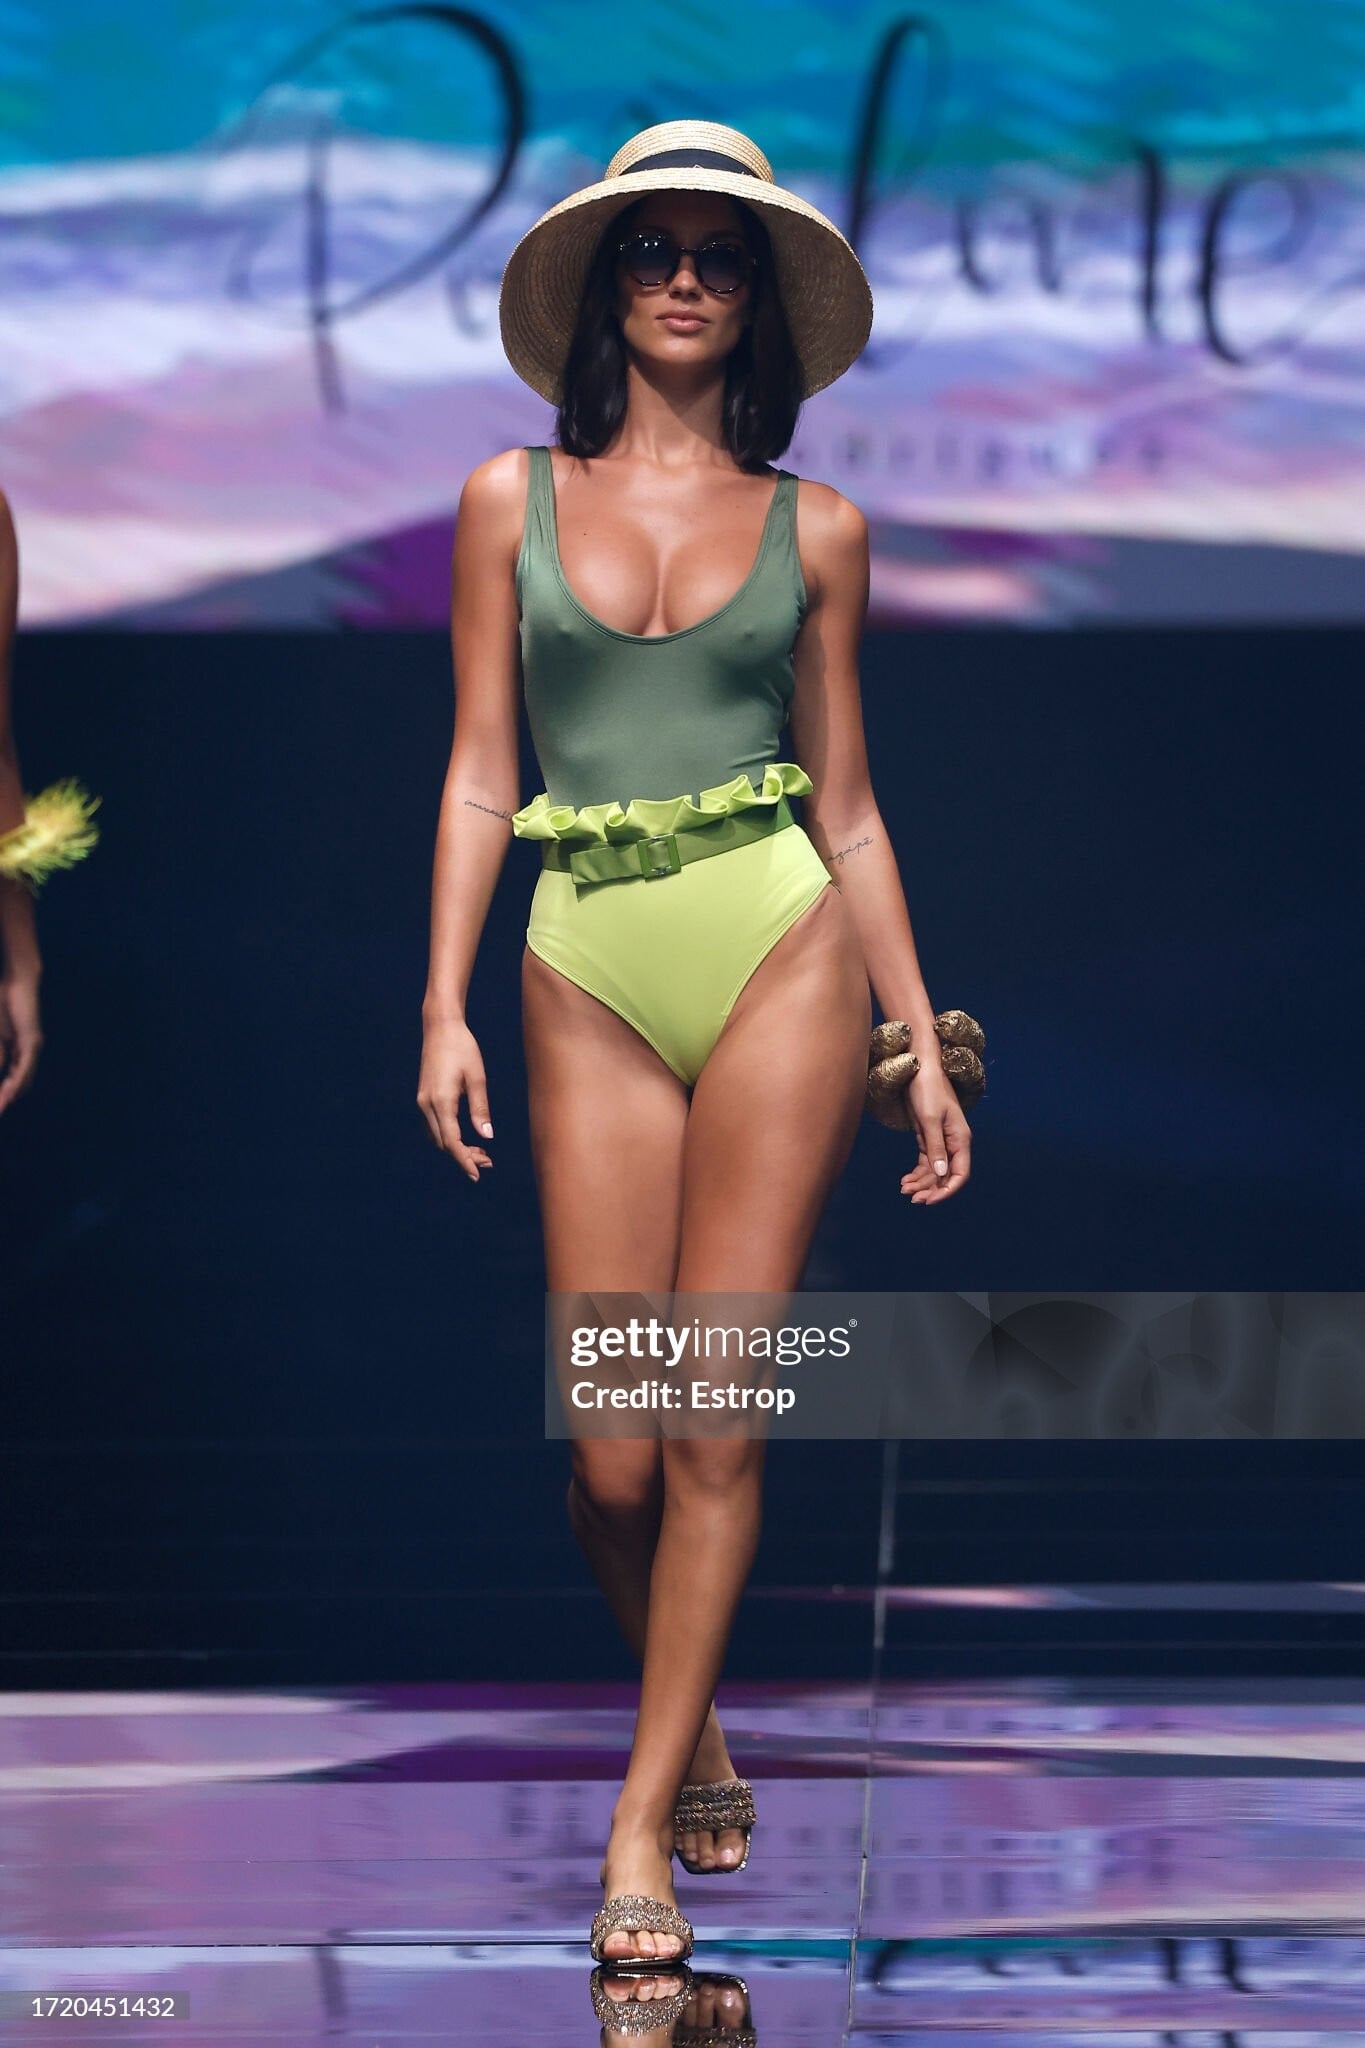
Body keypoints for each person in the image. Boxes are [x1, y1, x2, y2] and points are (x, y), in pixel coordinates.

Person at [418, 119, 972, 1969]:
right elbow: (481, 769)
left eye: (716, 255)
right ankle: (698, 1719)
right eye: (651, 251)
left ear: (757, 299)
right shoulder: (506, 498)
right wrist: (438, 1000)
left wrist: (914, 1030)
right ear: (604, 287)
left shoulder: (821, 528)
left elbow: (853, 807)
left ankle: (636, 1823)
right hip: (580, 953)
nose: (681, 279)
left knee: (714, 1420)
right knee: (612, 1460)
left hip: (775, 946)